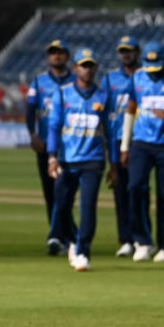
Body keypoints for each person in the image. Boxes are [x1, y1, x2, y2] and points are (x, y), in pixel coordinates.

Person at [120, 41, 164, 263]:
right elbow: (130, 111)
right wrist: (125, 145)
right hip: (141, 142)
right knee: (134, 187)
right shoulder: (137, 77)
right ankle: (143, 240)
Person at [46, 48, 116, 272]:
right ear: (75, 68)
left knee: (88, 207)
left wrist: (114, 164)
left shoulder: (104, 96)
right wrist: (52, 157)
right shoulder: (63, 94)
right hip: (67, 160)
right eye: (83, 65)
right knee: (62, 206)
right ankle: (74, 239)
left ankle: (83, 251)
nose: (87, 70)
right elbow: (54, 127)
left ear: (95, 68)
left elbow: (112, 133)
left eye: (90, 65)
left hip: (93, 161)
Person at [25, 39, 75, 255]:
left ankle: (60, 235)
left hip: (70, 146)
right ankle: (62, 235)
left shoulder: (76, 81)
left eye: (60, 53)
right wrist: (33, 134)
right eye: (53, 53)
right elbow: (29, 110)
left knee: (64, 193)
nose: (56, 56)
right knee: (50, 192)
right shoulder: (38, 82)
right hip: (45, 145)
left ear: (68, 56)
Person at [102, 35, 143, 257]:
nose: (126, 55)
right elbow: (107, 115)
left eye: (130, 50)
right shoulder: (110, 80)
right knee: (120, 190)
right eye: (122, 51)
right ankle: (125, 239)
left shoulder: (146, 76)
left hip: (142, 138)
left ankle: (141, 237)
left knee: (139, 190)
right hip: (117, 138)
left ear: (138, 52)